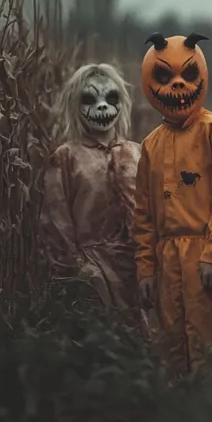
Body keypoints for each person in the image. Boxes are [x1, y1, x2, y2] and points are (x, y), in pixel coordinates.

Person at [132, 32, 212, 373]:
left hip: (205, 258)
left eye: (188, 75)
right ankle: (179, 418)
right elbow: (143, 214)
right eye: (166, 77)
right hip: (167, 261)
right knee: (173, 349)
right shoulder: (151, 144)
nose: (180, 86)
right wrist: (145, 269)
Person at [41, 63, 153, 330]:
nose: (102, 107)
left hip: (139, 271)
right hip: (94, 273)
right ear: (74, 104)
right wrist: (79, 270)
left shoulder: (139, 153)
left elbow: (156, 213)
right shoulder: (66, 157)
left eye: (110, 98)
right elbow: (57, 223)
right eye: (90, 99)